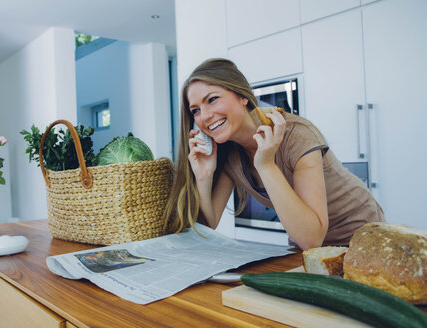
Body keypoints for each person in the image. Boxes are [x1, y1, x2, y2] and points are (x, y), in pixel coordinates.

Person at [163, 58, 384, 250]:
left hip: (362, 236)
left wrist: (266, 164)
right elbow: (208, 227)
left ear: (243, 97)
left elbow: (311, 238)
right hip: (306, 247)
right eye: (196, 110)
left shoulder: (297, 135)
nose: (205, 116)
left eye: (212, 99)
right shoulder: (230, 153)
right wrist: (204, 176)